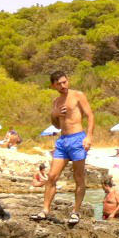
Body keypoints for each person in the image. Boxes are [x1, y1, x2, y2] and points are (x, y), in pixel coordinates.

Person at [31, 71, 94, 224]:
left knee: (78, 177)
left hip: (78, 139)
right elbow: (57, 124)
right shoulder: (56, 102)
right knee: (52, 176)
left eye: (64, 82)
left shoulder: (78, 95)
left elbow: (90, 115)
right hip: (63, 141)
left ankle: (76, 211)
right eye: (59, 83)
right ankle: (45, 210)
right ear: (53, 85)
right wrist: (54, 113)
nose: (63, 85)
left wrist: (89, 136)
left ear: (68, 81)